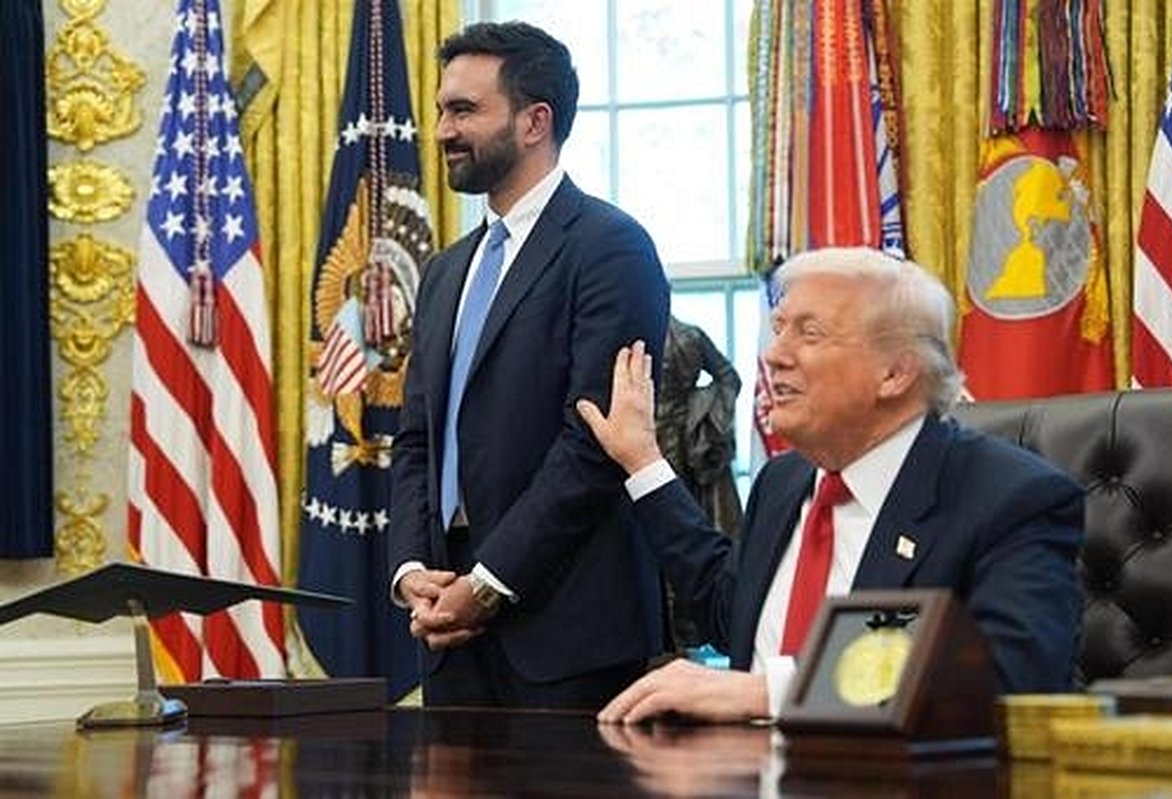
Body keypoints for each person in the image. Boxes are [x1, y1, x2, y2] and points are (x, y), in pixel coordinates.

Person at [576, 246, 1083, 723]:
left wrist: (770, 694)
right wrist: (643, 461)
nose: (774, 355)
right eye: (778, 329)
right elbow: (729, 612)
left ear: (895, 373)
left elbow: (1009, 679)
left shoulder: (1010, 499)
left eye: (810, 334)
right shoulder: (783, 481)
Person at [388, 21, 670, 709]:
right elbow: (417, 439)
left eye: (464, 111)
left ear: (535, 121)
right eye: (441, 110)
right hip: (448, 631)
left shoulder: (611, 248)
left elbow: (594, 444)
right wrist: (413, 569)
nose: (442, 131)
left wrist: (488, 583)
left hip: (567, 635)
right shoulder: (445, 271)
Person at [655, 316, 743, 649]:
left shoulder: (690, 336)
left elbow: (728, 377)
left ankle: (685, 628)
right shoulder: (638, 331)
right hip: (644, 440)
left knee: (683, 533)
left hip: (686, 447)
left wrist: (704, 416)